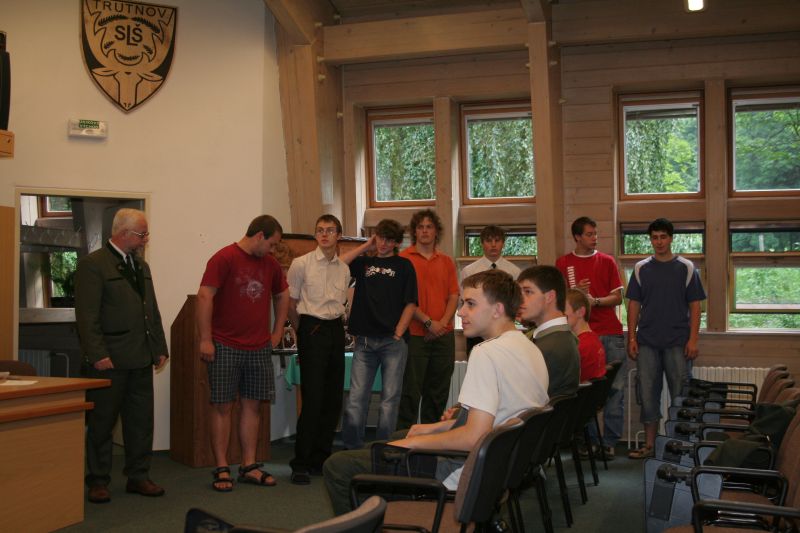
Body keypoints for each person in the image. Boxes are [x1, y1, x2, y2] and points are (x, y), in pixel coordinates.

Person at [323, 269, 549, 515]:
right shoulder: (530, 348)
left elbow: (474, 436)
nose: (460, 312)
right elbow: (495, 418)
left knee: (338, 466)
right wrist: (430, 430)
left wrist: (413, 444)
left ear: (497, 310)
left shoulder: (487, 352)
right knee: (388, 441)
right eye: (462, 303)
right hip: (499, 468)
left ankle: (373, 520)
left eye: (471, 304)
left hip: (461, 472)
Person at [75, 208, 168, 504]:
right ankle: (98, 480)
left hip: (141, 357)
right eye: (142, 234)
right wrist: (97, 354)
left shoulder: (141, 266)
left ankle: (138, 476)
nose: (145, 239)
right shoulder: (93, 265)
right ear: (123, 233)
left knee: (140, 422)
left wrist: (159, 348)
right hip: (109, 361)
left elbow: (150, 310)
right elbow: (87, 317)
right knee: (102, 423)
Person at [197, 214, 290, 491]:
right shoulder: (224, 258)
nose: (273, 250)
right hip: (225, 344)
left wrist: (276, 332)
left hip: (258, 346)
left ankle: (249, 465)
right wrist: (205, 339)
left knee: (253, 406)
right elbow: (205, 295)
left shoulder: (270, 264)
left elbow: (283, 295)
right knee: (223, 406)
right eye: (272, 244)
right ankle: (222, 467)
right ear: (260, 236)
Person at [626, 218, 705, 459]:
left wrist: (693, 340)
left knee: (681, 395)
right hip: (647, 342)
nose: (659, 242)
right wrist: (631, 338)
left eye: (663, 237)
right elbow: (633, 305)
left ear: (671, 238)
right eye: (654, 237)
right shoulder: (640, 268)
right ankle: (649, 446)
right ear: (650, 240)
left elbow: (695, 307)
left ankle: (680, 448)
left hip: (678, 342)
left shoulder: (687, 268)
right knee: (647, 395)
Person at [338, 219, 418, 451]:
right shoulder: (365, 263)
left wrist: (399, 332)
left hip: (393, 342)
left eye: (389, 240)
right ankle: (352, 448)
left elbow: (411, 302)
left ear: (396, 243)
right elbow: (339, 264)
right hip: (364, 341)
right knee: (356, 398)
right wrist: (366, 245)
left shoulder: (404, 266)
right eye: (381, 238)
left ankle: (384, 449)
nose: (384, 243)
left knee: (389, 400)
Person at [286, 215, 352, 485]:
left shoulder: (344, 269)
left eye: (330, 230)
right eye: (320, 230)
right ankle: (301, 463)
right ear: (316, 235)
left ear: (339, 235)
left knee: (333, 399)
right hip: (311, 328)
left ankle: (320, 459)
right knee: (312, 399)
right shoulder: (301, 264)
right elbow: (291, 304)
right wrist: (303, 331)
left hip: (336, 330)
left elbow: (343, 305)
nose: (324, 235)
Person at [556, 216, 626, 457]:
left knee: (615, 390)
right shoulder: (564, 263)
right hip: (580, 335)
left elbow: (618, 297)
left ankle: (610, 443)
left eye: (595, 233)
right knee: (584, 392)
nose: (594, 238)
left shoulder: (606, 261)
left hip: (610, 333)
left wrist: (593, 301)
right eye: (589, 234)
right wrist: (577, 294)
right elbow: (561, 300)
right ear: (577, 237)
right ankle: (590, 442)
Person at [397, 209, 460, 428]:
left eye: (429, 227)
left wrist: (441, 323)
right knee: (409, 393)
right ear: (414, 232)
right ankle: (403, 440)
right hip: (413, 335)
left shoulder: (446, 261)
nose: (424, 231)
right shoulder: (403, 259)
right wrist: (428, 322)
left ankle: (431, 440)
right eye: (420, 227)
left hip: (443, 335)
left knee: (438, 394)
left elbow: (454, 295)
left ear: (436, 231)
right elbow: (403, 298)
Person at [517, 265, 581, 398]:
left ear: (549, 296)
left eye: (528, 292)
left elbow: (522, 399)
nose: (519, 299)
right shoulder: (560, 336)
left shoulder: (550, 347)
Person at [460, 224, 522, 354]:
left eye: (497, 240)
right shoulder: (469, 271)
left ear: (503, 243)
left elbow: (515, 303)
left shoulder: (514, 271)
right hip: (477, 329)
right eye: (489, 241)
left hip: (504, 328)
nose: (493, 245)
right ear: (482, 243)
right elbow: (464, 301)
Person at [565, 288, 607, 383]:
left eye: (563, 310)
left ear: (580, 312)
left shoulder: (580, 346)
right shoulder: (593, 338)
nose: (559, 315)